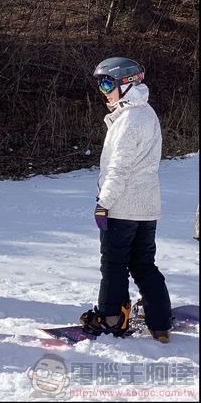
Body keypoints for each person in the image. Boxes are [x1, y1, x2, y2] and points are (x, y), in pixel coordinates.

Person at [80, 56, 172, 343]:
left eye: (107, 83)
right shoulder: (146, 113)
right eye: (100, 85)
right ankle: (160, 322)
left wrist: (103, 203)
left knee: (114, 263)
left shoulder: (129, 120)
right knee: (144, 263)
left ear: (127, 83)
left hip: (123, 205)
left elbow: (119, 168)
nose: (104, 90)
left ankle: (109, 319)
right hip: (147, 207)